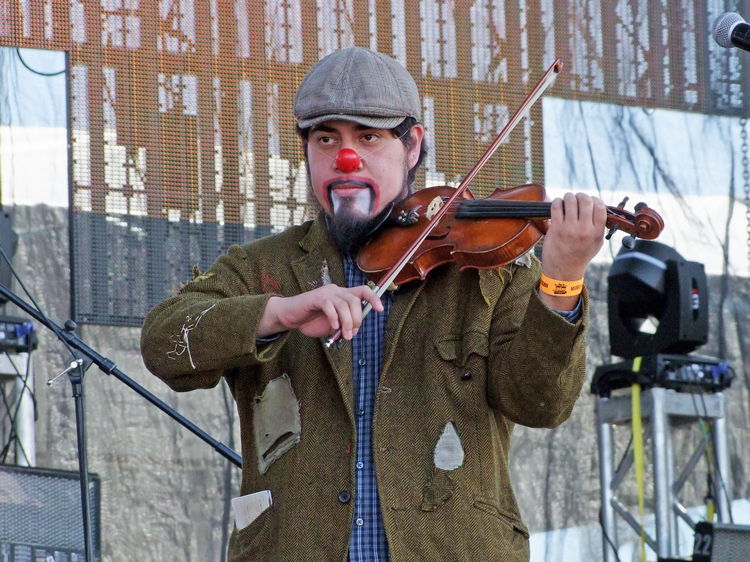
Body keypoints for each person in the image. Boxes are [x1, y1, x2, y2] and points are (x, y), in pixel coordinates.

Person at [141, 47, 606, 561]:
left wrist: (563, 279)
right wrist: (280, 312)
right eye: (326, 139)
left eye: (369, 137)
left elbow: (541, 404)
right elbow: (164, 343)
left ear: (412, 147)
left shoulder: (492, 270)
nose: (347, 159)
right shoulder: (261, 266)